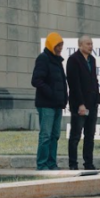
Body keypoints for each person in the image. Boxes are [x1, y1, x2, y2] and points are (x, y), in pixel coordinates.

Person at [66, 35, 100, 171]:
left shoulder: (92, 60)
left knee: (90, 135)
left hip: (92, 104)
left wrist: (97, 98)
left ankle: (88, 163)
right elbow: (74, 84)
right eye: (88, 44)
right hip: (79, 105)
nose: (90, 46)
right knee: (75, 135)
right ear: (80, 45)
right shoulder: (73, 60)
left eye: (91, 44)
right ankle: (73, 163)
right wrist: (80, 104)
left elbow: (94, 80)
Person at [33, 33, 68, 170]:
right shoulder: (43, 59)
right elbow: (36, 80)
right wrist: (51, 94)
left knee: (55, 135)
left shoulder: (58, 61)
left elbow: (62, 83)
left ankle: (51, 163)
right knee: (46, 135)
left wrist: (64, 99)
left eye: (61, 45)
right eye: (57, 45)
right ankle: (41, 165)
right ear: (51, 44)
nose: (60, 48)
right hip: (46, 104)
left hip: (58, 105)